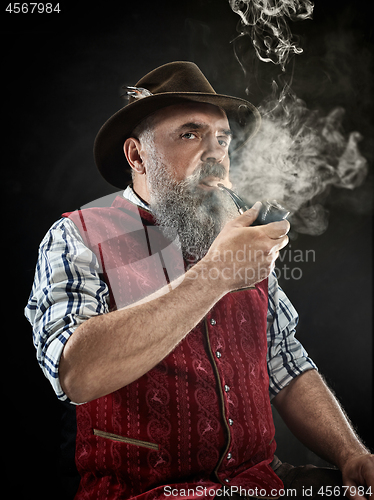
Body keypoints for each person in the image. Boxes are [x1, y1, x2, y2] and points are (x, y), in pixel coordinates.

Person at [25, 61, 373, 500]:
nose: (215, 153)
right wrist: (217, 274)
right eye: (190, 134)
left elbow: (284, 361)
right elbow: (74, 373)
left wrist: (350, 455)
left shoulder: (240, 233)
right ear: (137, 156)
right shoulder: (79, 236)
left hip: (259, 487)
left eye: (222, 139)